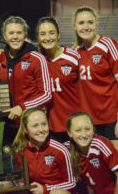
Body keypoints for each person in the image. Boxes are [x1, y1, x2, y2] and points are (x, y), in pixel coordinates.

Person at [72, 6, 118, 160]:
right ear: (74, 26)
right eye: (81, 23)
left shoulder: (108, 44)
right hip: (90, 121)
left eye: (90, 22)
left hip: (113, 118)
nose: (86, 27)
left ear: (96, 24)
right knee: (98, 172)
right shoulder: (75, 52)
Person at [0, 16, 52, 171]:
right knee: (8, 168)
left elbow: (47, 94)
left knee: (32, 171)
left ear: (25, 35)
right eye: (11, 33)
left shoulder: (37, 58)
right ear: (5, 36)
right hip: (10, 124)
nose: (15, 37)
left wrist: (22, 107)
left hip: (31, 125)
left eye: (19, 33)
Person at [66, 112, 118, 194]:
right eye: (78, 130)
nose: (84, 135)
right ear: (69, 133)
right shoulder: (67, 149)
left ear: (93, 130)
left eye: (87, 129)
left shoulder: (100, 144)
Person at [35, 16, 80, 144]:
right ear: (38, 38)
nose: (48, 38)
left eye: (52, 33)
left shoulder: (73, 57)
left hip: (73, 124)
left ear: (58, 35)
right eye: (42, 34)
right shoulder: (37, 61)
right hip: (48, 128)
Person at [12, 108, 76, 194]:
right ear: (25, 129)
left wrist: (45, 189)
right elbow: (19, 179)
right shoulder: (20, 151)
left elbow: (71, 183)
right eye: (35, 126)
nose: (41, 130)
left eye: (44, 124)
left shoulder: (60, 150)